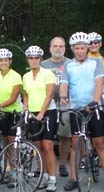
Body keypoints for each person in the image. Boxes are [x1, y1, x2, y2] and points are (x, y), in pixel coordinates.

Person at [59, 31, 104, 191]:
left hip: (94, 107)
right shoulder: (68, 65)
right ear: (73, 49)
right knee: (75, 143)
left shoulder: (96, 63)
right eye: (77, 48)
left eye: (83, 48)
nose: (80, 51)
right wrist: (63, 95)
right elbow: (64, 83)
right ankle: (73, 178)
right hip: (76, 108)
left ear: (87, 48)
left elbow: (99, 83)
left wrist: (95, 101)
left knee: (99, 143)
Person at [22, 45, 58, 192]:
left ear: (40, 59)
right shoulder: (25, 76)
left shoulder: (48, 73)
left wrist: (42, 113)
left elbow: (49, 95)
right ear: (28, 60)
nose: (34, 60)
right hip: (32, 112)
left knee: (48, 146)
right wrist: (25, 109)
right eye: (31, 58)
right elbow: (25, 94)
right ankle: (43, 175)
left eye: (36, 58)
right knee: (37, 147)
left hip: (48, 111)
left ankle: (52, 178)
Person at [41, 37, 71, 177]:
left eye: (61, 46)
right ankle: (46, 165)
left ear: (64, 48)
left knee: (65, 135)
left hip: (66, 103)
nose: (58, 48)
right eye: (55, 46)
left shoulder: (71, 64)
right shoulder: (43, 65)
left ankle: (63, 164)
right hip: (48, 103)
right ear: (50, 48)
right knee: (47, 136)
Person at [0, 48, 23, 187]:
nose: (3, 63)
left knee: (12, 143)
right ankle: (9, 171)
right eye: (1, 60)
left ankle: (15, 174)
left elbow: (13, 98)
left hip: (14, 112)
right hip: (1, 113)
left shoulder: (16, 76)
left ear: (10, 62)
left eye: (6, 60)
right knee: (4, 143)